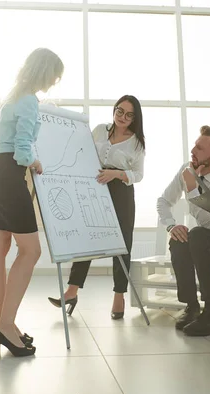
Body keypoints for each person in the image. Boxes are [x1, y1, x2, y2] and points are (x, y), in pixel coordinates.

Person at [0, 48, 64, 357]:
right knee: (31, 250)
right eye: (55, 74)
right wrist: (34, 161)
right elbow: (23, 147)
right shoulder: (29, 100)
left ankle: (7, 323)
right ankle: (6, 324)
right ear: (45, 71)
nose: (55, 81)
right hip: (8, 174)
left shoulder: (10, 97)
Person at [48, 95, 145, 319]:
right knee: (88, 236)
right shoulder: (101, 130)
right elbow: (82, 152)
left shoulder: (137, 142)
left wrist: (116, 174)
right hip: (94, 186)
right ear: (114, 109)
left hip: (120, 190)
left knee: (122, 243)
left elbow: (138, 175)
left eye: (129, 114)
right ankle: (72, 291)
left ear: (134, 118)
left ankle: (119, 295)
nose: (122, 117)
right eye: (120, 111)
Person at [157, 126, 210, 336]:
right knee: (179, 238)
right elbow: (164, 201)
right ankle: (191, 306)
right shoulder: (187, 169)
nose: (193, 151)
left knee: (198, 233)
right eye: (195, 145)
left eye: (200, 148)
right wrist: (171, 225)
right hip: (201, 242)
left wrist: (194, 188)